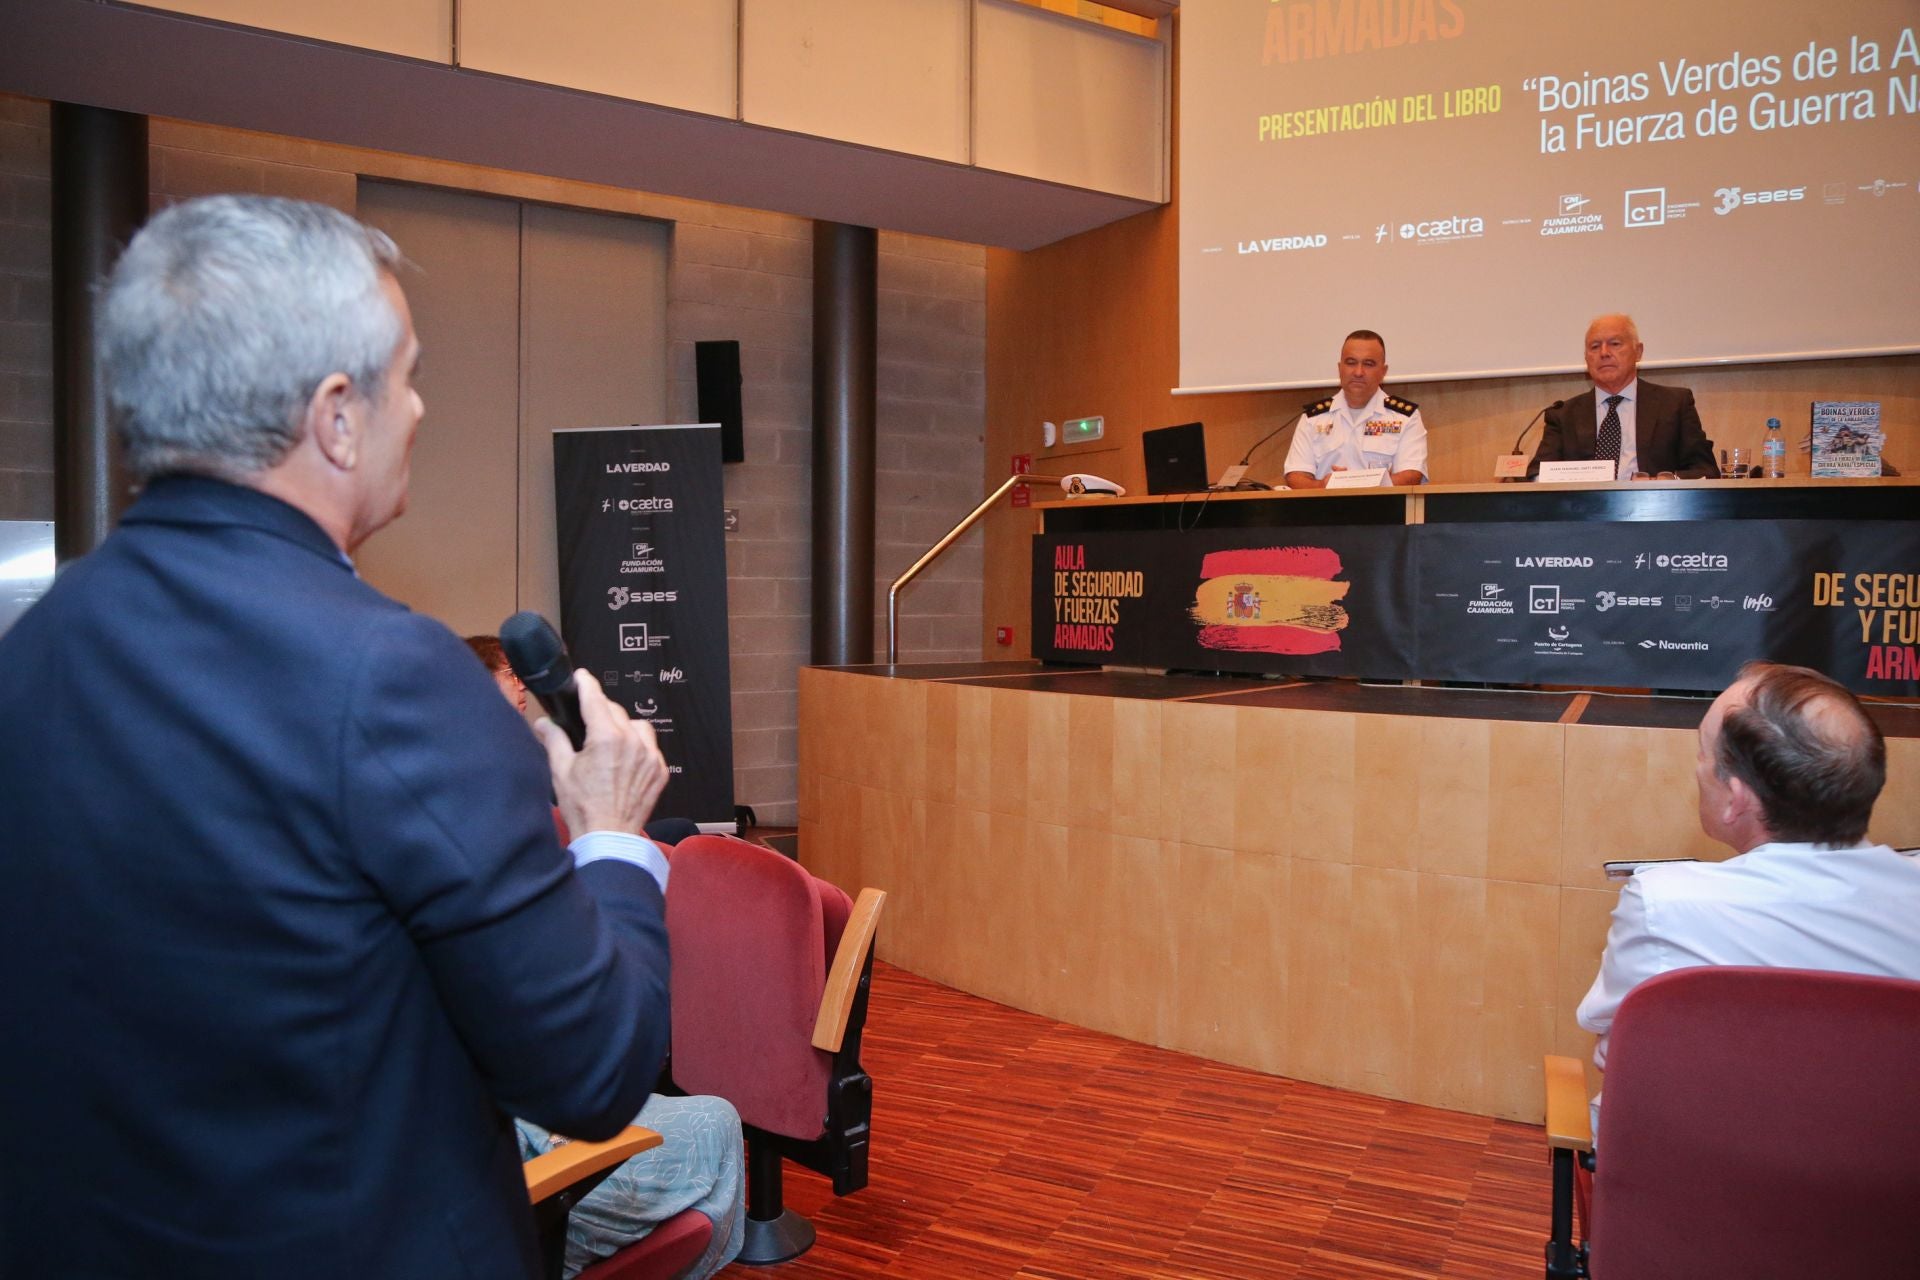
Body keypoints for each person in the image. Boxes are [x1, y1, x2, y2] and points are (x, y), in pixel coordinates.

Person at [0, 195, 675, 1279]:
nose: (420, 407)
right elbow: (591, 1072)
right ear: (337, 417)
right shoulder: (392, 681)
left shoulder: (35, 649)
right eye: (407, 375)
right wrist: (612, 840)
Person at [1577, 661, 1920, 1090]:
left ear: (1736, 800)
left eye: (1703, 755)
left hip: (1702, 1133)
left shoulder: (1662, 904)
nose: (1698, 769)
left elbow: (1611, 1036)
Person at [1529, 313, 1717, 479]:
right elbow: (1537, 475)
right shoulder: (1563, 414)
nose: (1604, 353)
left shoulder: (1674, 404)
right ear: (1586, 358)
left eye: (1615, 344)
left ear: (1638, 352)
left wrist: (1665, 481)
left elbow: (1706, 470)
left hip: (1653, 506)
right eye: (1595, 347)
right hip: (1583, 507)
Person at [1281, 329, 1427, 488]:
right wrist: (1323, 485)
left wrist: (1352, 484)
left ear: (1383, 372)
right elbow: (1296, 476)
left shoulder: (1405, 417)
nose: (1358, 372)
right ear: (1340, 368)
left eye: (1368, 364)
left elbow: (1411, 475)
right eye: (1351, 363)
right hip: (1326, 503)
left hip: (1383, 503)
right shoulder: (1314, 418)